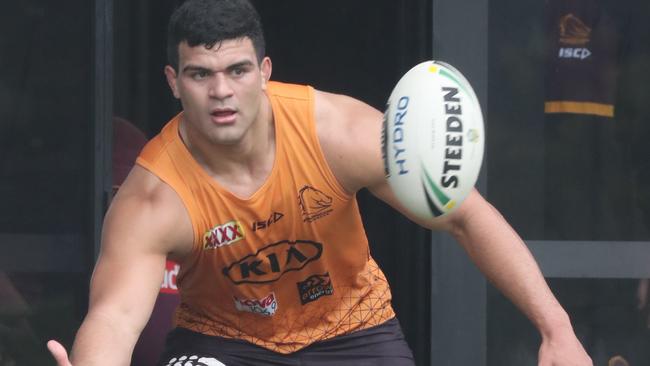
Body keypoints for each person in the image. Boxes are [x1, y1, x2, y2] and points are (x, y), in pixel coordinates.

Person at [47, 0, 592, 364]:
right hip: (227, 345)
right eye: (200, 74)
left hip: (352, 330)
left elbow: (466, 217)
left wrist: (557, 330)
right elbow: (115, 316)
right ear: (174, 81)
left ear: (264, 72)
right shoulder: (154, 193)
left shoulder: (338, 133)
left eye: (237, 71)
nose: (221, 92)